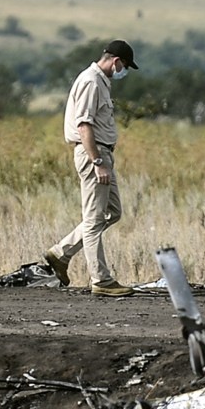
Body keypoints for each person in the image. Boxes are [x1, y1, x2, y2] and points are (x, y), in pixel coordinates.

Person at [43, 40, 138, 297]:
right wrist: (97, 162)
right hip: (93, 154)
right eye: (125, 66)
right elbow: (84, 125)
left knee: (113, 212)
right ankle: (101, 280)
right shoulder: (90, 81)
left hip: (103, 153)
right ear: (116, 61)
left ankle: (62, 252)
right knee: (95, 219)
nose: (123, 71)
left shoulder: (101, 83)